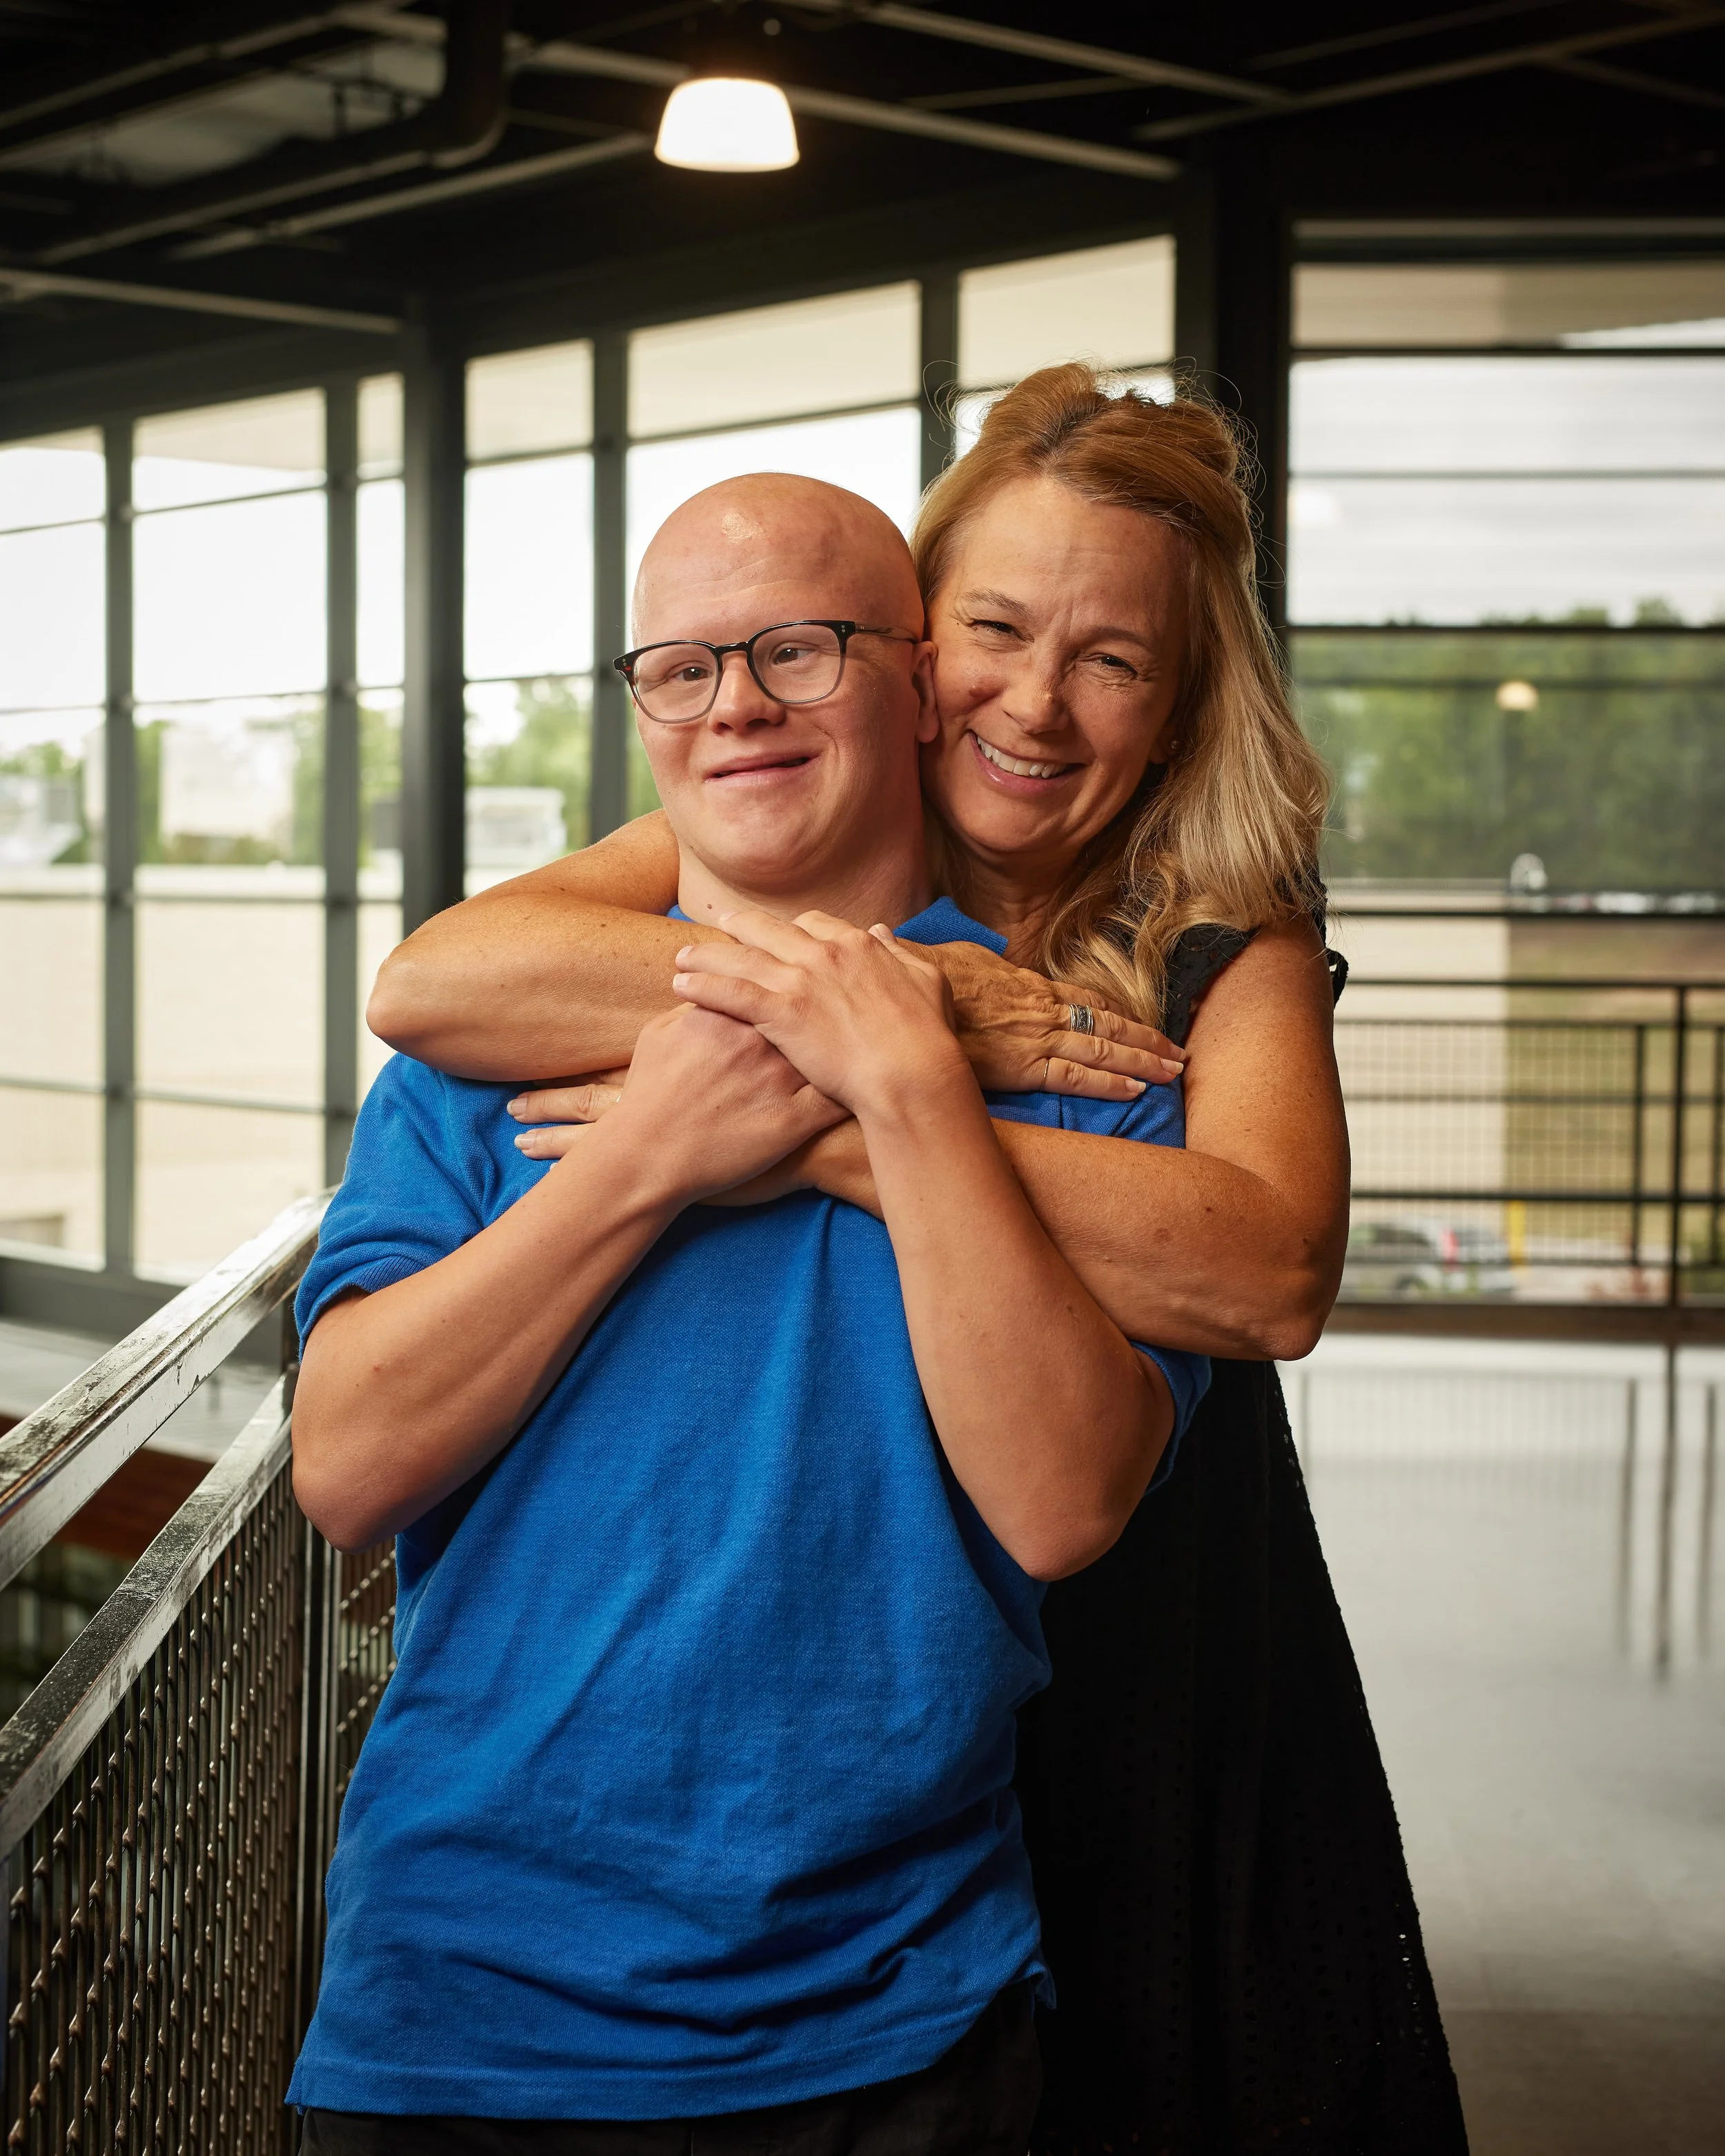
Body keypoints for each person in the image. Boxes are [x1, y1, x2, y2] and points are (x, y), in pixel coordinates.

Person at [371, 366, 1472, 2155]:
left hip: (1140, 1586)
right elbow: (440, 983)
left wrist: (832, 1107)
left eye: (1111, 657)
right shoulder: (785, 808)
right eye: (993, 628)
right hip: (864, 1646)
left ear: (1181, 696)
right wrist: (921, 1001)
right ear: (901, 639)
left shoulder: (1223, 929)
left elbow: (1265, 1271)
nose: (1033, 700)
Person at [288, 470, 1212, 2153]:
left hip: (893, 2016)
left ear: (917, 678)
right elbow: (345, 1466)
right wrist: (643, 1160)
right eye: (682, 665)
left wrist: (901, 1088)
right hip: (457, 2005)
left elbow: (1066, 1505)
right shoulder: (482, 1056)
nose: (737, 708)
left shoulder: (1076, 1065)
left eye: (798, 649)